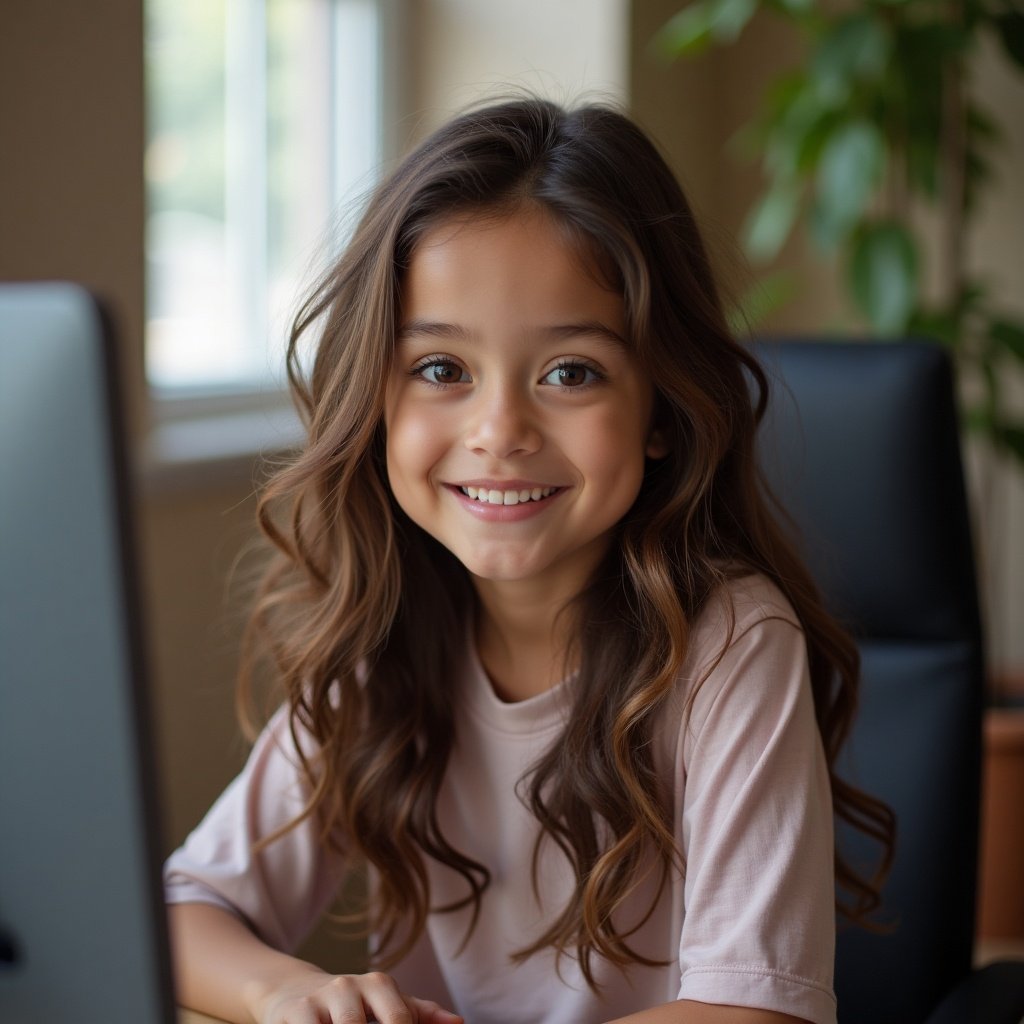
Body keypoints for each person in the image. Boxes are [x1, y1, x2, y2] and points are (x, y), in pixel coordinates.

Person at [164, 97, 894, 1024]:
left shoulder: (729, 646)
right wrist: (292, 991)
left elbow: (754, 1013)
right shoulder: (381, 646)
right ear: (376, 398)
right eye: (441, 369)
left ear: (663, 410)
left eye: (571, 372)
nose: (499, 431)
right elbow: (185, 908)